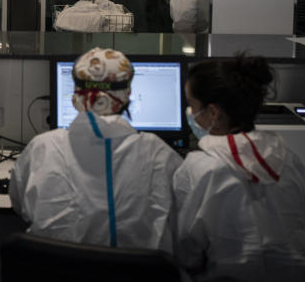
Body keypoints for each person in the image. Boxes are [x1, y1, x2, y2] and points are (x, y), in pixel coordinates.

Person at [173, 53, 305, 281]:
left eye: (192, 105)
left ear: (213, 113)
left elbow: (187, 250)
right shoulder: (286, 157)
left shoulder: (200, 168)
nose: (190, 113)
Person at [10, 47, 182, 252]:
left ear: (75, 96)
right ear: (126, 95)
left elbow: (21, 207)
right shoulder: (159, 154)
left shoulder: (42, 147)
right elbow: (181, 223)